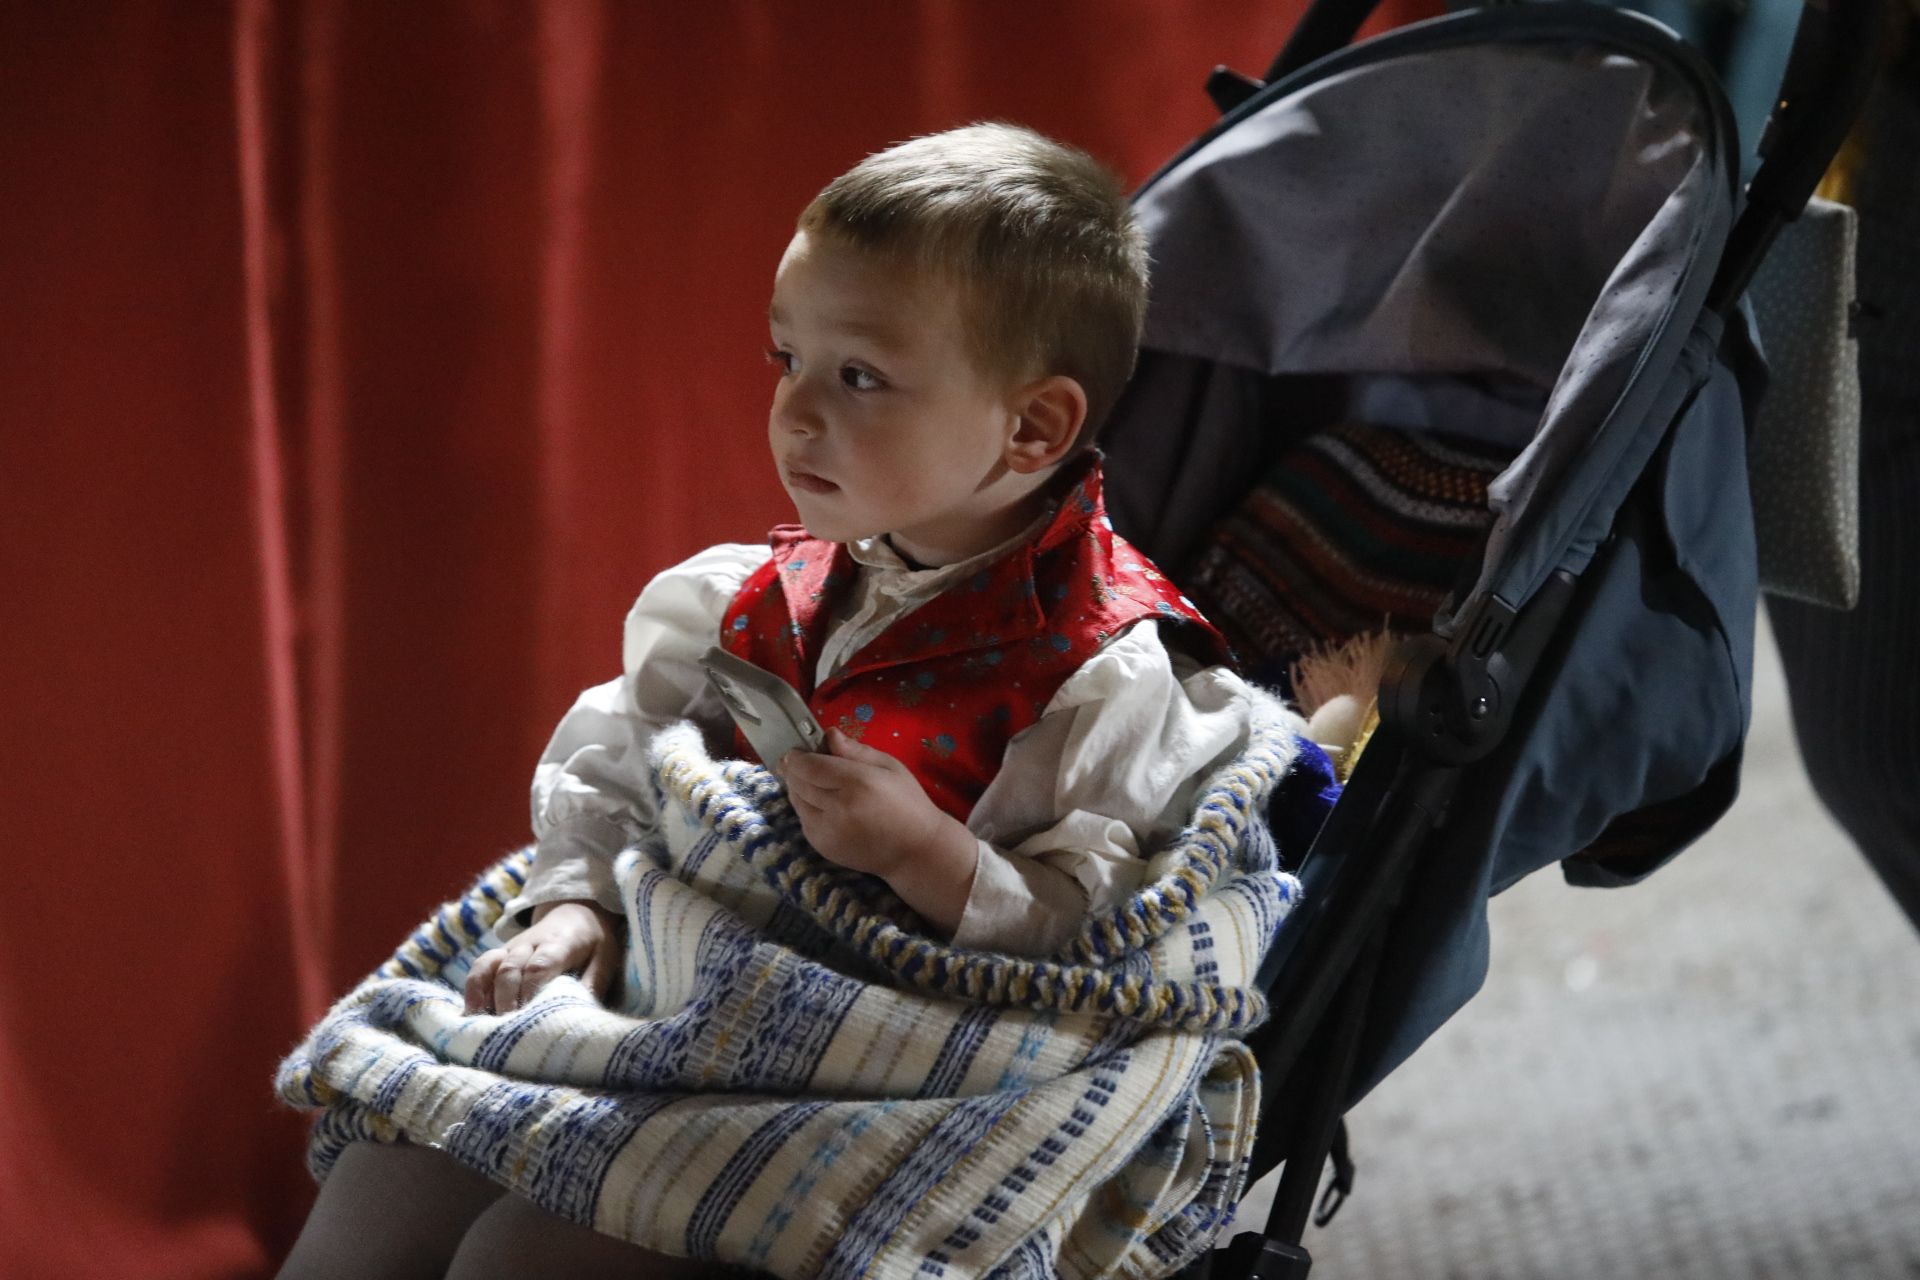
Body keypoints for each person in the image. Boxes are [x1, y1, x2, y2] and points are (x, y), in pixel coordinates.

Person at [278, 121, 1258, 1280]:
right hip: (679, 1000)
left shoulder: (1108, 683)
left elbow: (1106, 942)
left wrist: (927, 854)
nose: (795, 412)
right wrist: (579, 905)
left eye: (858, 377)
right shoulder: (751, 595)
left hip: (868, 1068)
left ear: (1033, 425)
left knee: (522, 1253)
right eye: (783, 357)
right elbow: (629, 757)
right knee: (393, 1170)